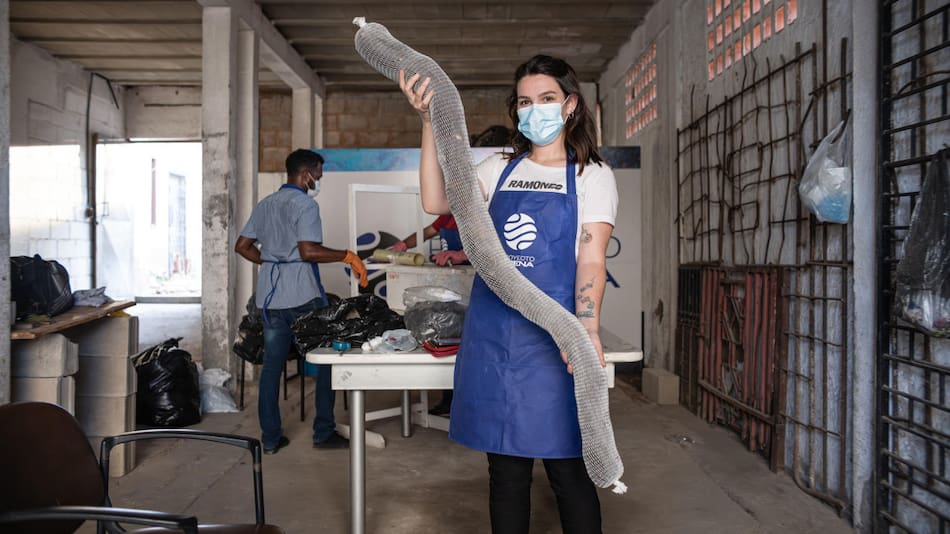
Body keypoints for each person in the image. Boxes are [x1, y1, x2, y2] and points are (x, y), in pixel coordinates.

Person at [399, 54, 617, 534]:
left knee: (568, 465)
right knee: (506, 470)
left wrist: (587, 329)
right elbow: (437, 202)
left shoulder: (591, 175)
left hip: (555, 338)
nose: (533, 109)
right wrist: (427, 122)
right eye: (524, 101)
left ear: (571, 105)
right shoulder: (498, 167)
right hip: (497, 335)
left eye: (546, 99)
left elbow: (592, 257)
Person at [235, 149, 368, 454]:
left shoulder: (266, 203)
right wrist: (346, 256)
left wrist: (270, 262)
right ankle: (323, 432)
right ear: (306, 172)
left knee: (271, 367)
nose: (318, 181)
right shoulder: (305, 205)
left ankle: (270, 439)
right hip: (303, 298)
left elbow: (242, 246)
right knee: (324, 363)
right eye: (317, 175)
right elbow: (308, 251)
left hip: (270, 297)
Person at [389, 214, 468, 266]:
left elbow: (480, 248)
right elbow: (426, 233)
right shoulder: (448, 215)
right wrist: (404, 244)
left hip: (474, 274)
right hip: (454, 271)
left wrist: (462, 255)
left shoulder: (475, 215)